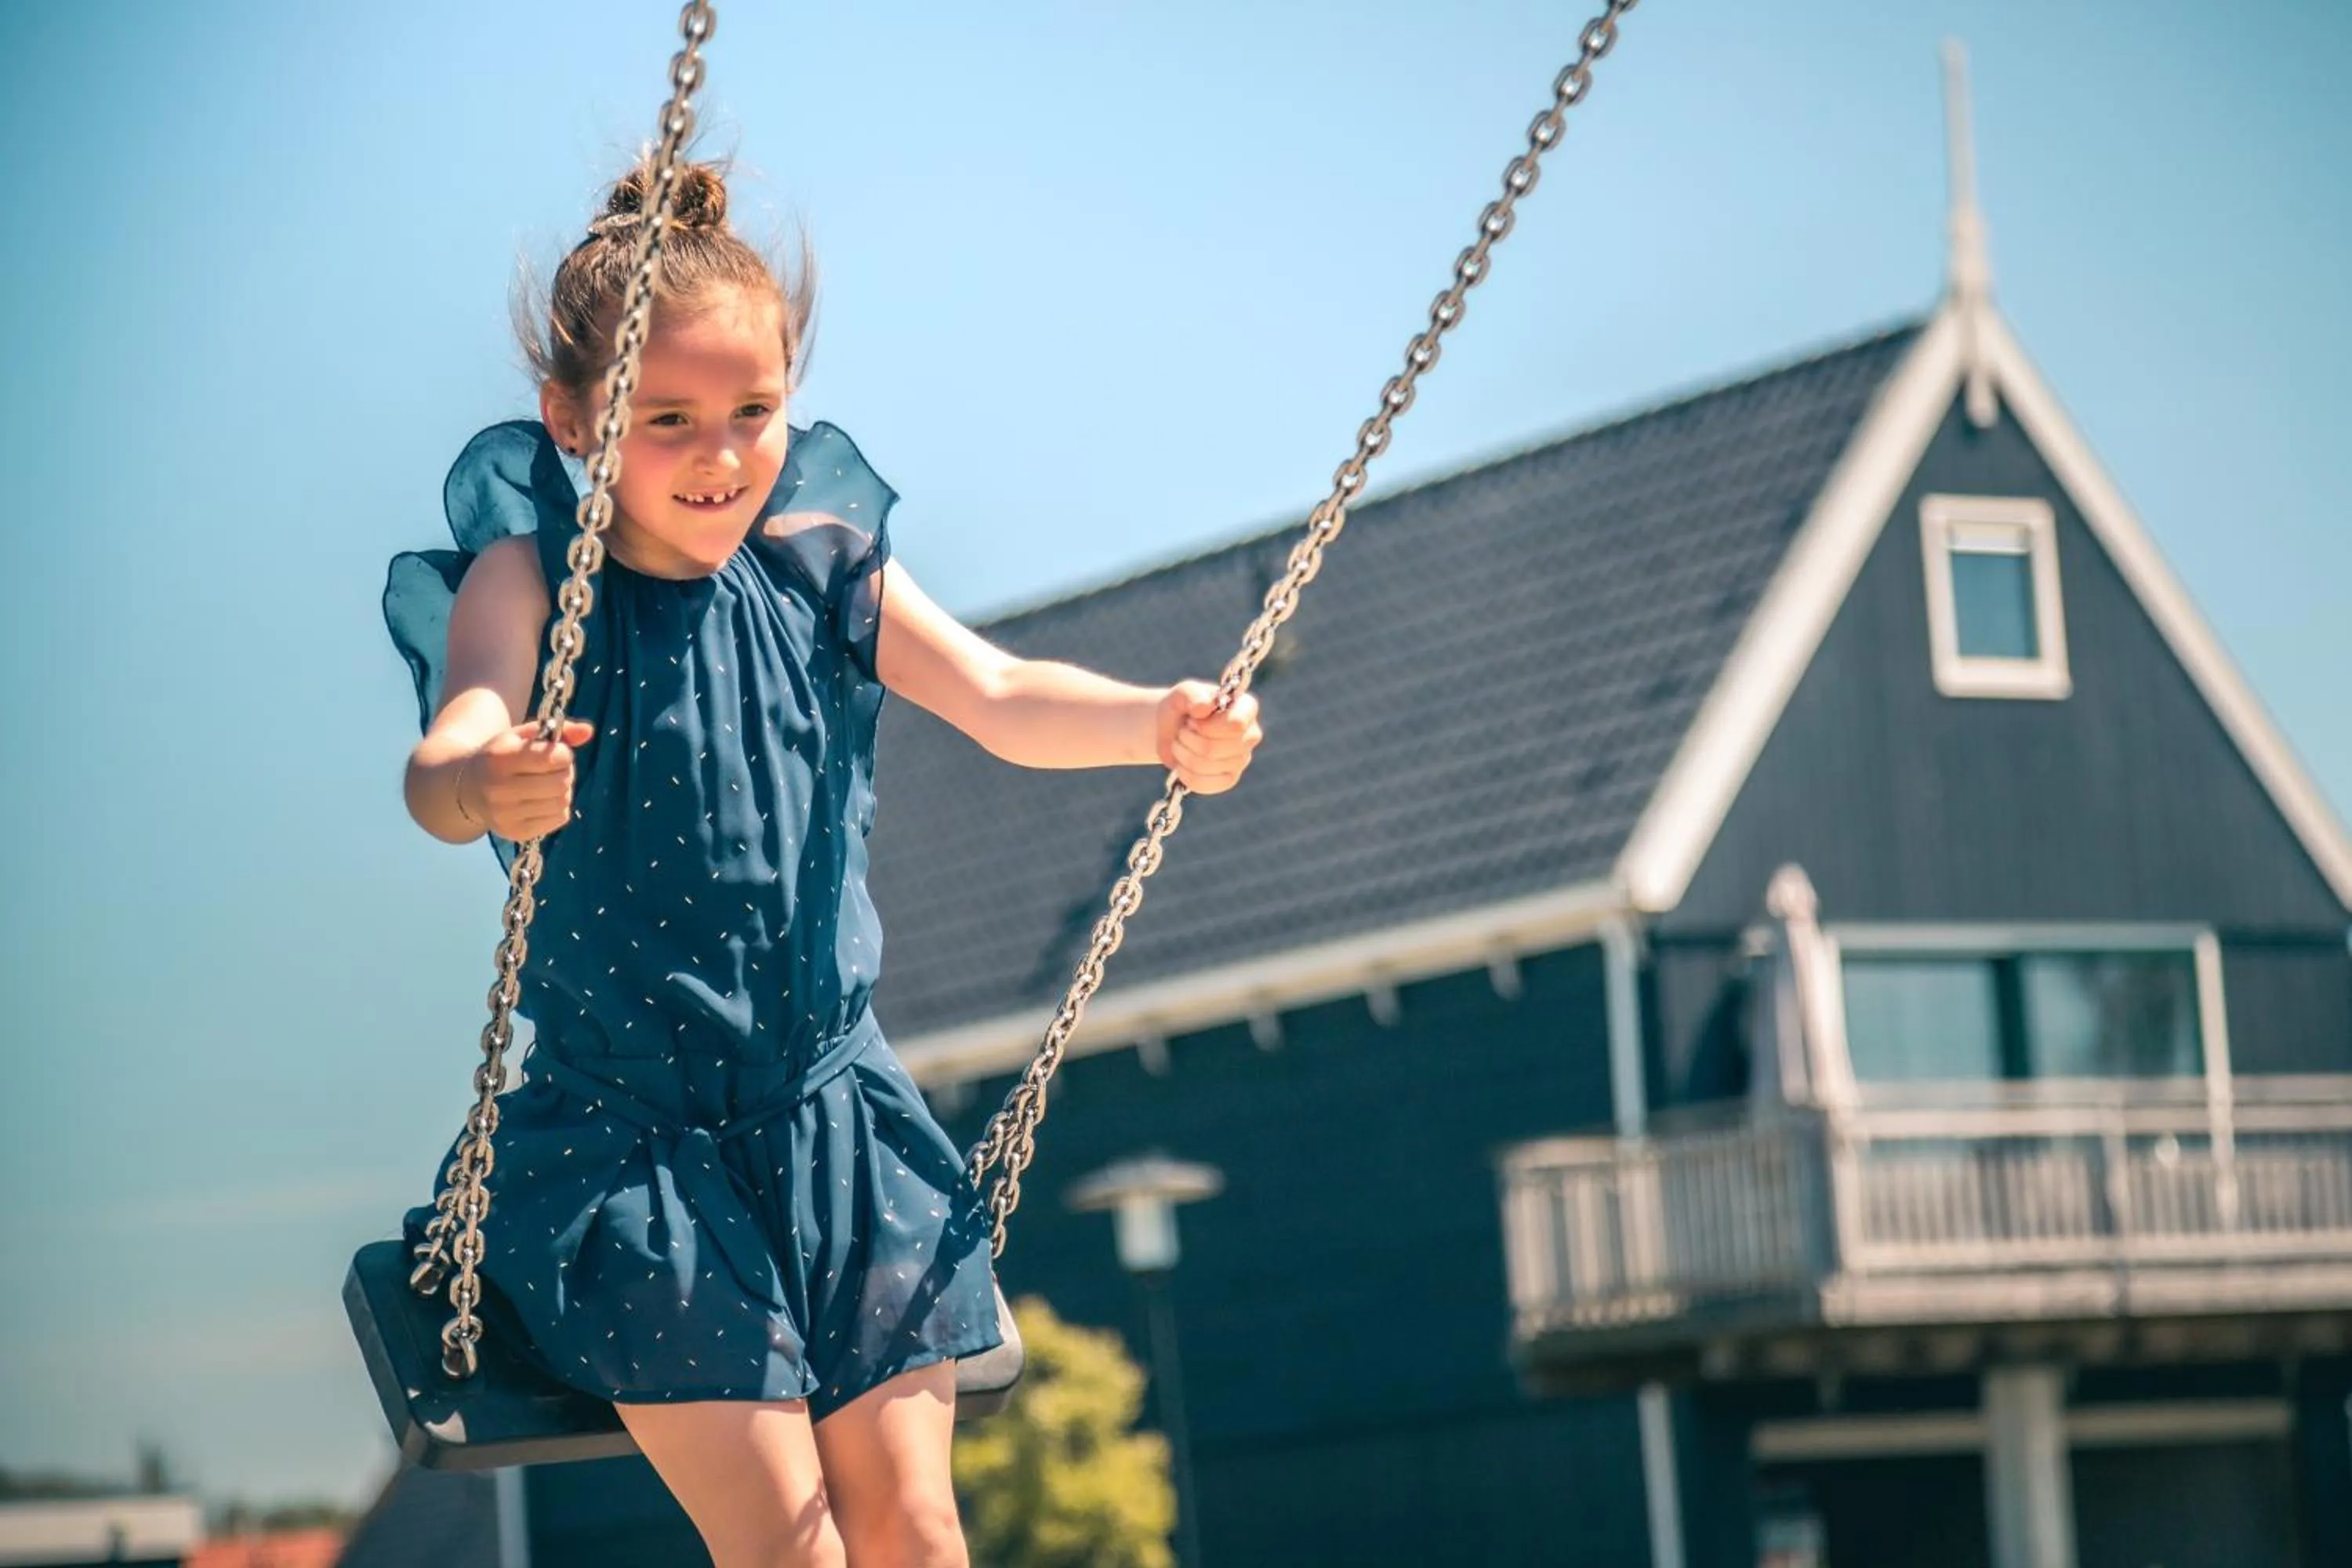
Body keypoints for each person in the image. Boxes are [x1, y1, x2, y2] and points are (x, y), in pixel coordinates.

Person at [384, 155, 1263, 1568]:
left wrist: (1154, 723)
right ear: (573, 420)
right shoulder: (536, 585)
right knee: (791, 1546)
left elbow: (998, 692)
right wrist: (488, 776)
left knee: (916, 1530)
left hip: (835, 1123)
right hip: (635, 1153)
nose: (721, 455)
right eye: (668, 421)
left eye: (754, 411)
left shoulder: (815, 570)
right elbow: (448, 759)